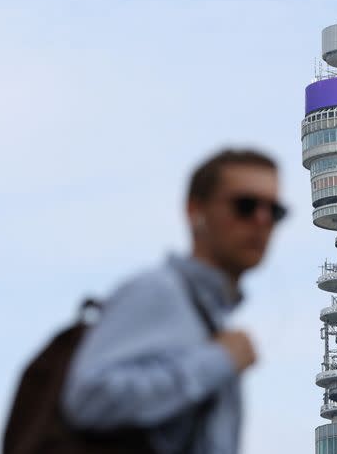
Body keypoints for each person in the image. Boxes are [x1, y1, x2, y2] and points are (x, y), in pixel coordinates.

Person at [61, 149, 287, 453]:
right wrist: (217, 361)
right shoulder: (159, 291)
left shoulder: (212, 318)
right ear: (196, 211)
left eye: (274, 212)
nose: (261, 221)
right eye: (244, 207)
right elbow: (89, 397)